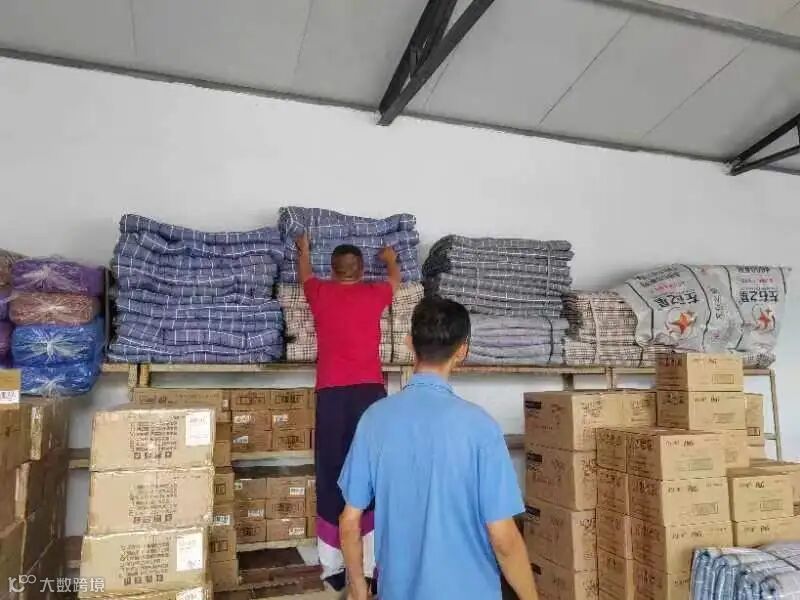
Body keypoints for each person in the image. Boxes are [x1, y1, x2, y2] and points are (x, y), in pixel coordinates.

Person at [338, 296, 538, 600]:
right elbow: (503, 538)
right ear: (462, 351)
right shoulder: (480, 427)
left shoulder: (374, 420)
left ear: (409, 342)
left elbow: (349, 521)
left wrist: (358, 589)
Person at [296, 233, 401, 591]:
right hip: (369, 394)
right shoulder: (374, 294)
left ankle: (333, 567)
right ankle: (370, 565)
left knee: (330, 473)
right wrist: (390, 258)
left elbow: (304, 274)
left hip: (331, 394)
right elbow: (395, 280)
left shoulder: (319, 292)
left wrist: (304, 250)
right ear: (361, 270)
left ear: (332, 270)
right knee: (371, 472)